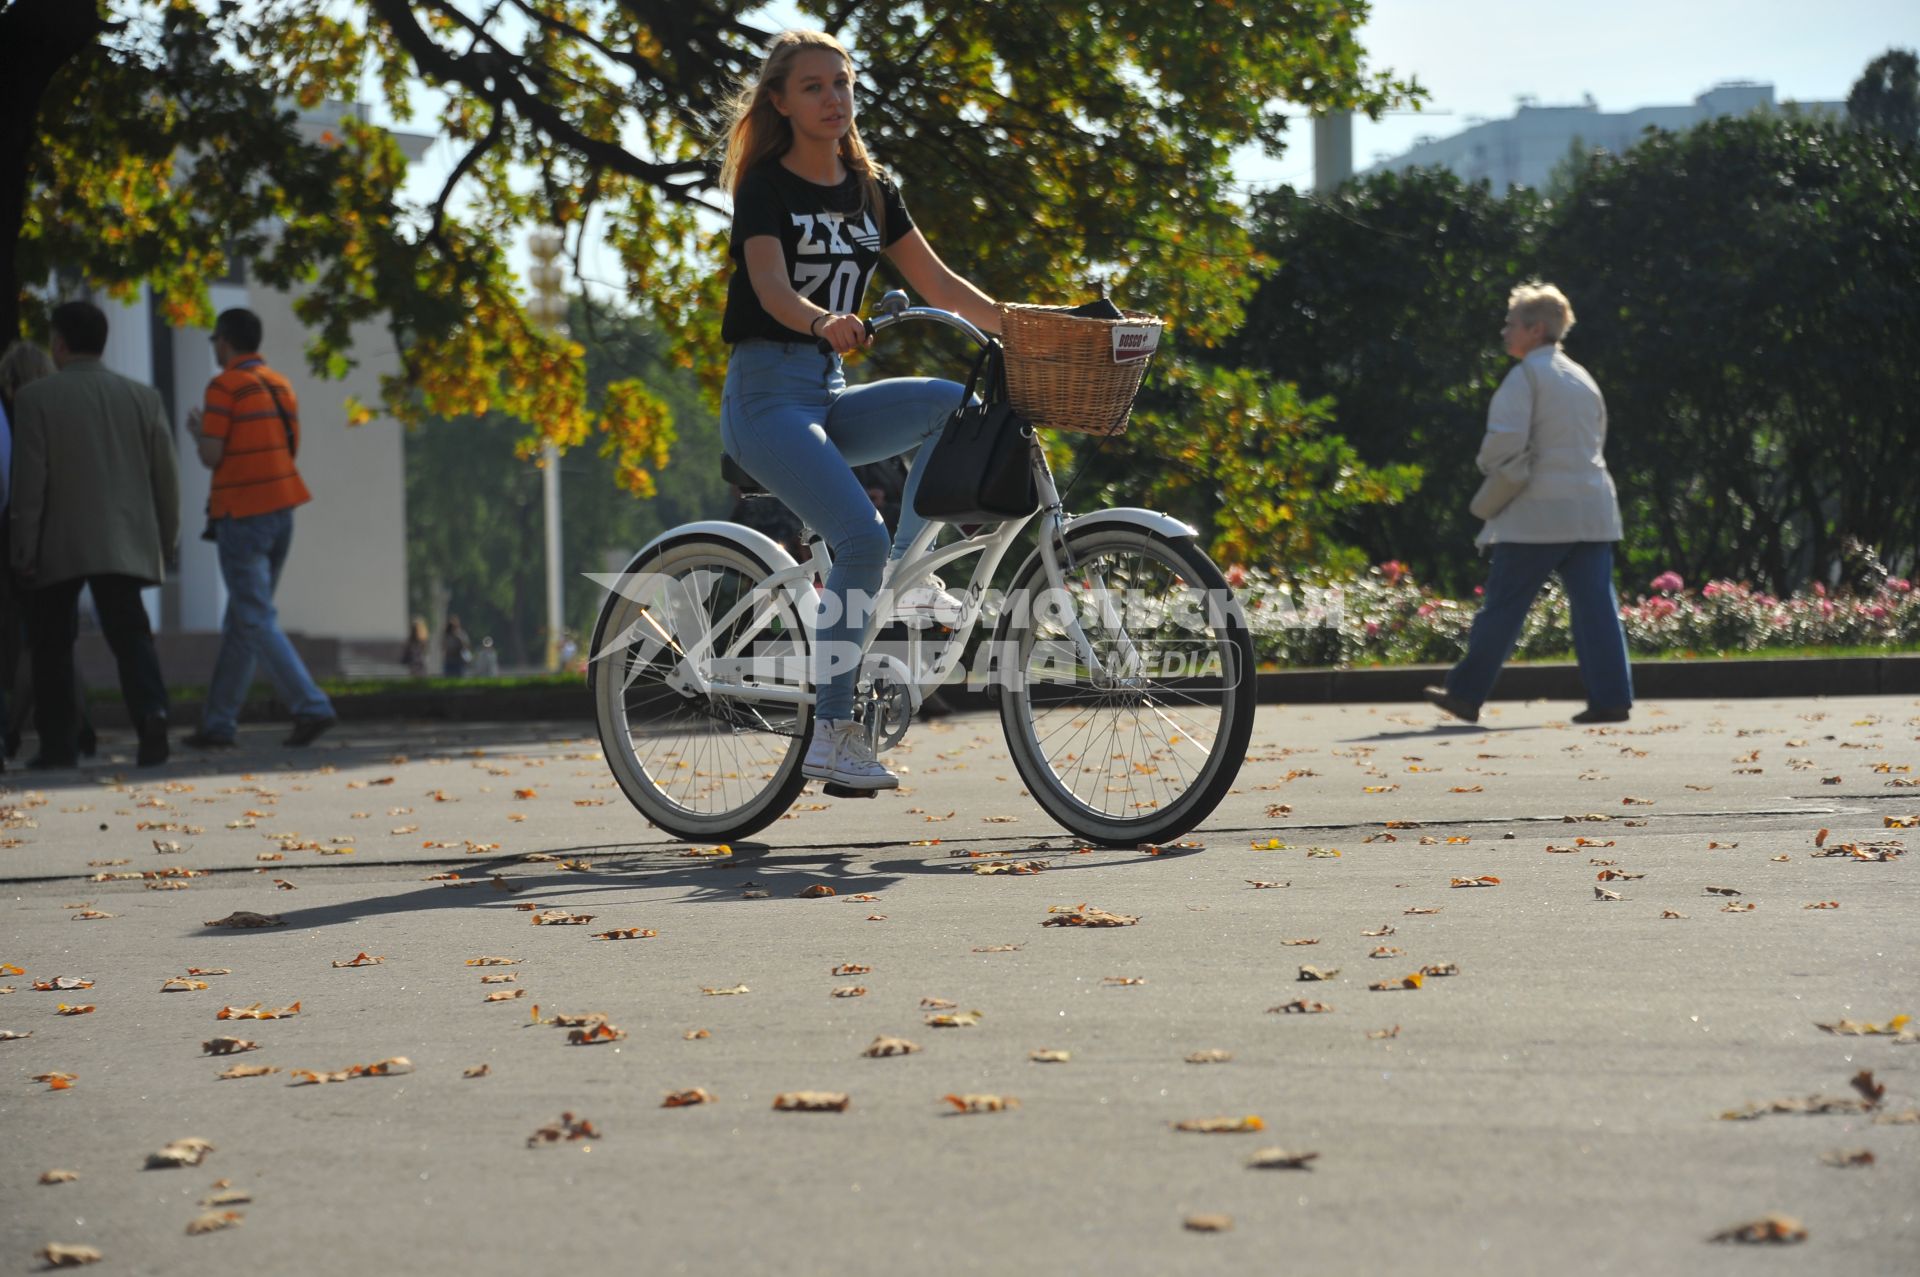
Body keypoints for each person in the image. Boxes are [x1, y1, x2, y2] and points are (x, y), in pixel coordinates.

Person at [717, 28, 1001, 790]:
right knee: (857, 536)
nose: (833, 98)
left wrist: (1025, 326)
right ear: (779, 101)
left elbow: (941, 287)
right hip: (765, 396)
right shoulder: (766, 186)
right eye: (813, 86)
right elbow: (771, 288)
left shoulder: (871, 189)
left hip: (827, 391)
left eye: (841, 83)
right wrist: (820, 320)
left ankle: (907, 576)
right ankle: (833, 734)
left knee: (955, 405)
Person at [1425, 283, 1633, 726]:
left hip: (1538, 511)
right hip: (1593, 510)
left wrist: (1487, 464)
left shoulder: (1526, 377)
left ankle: (1465, 693)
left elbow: (1504, 442)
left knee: (1504, 605)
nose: (1504, 331)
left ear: (1535, 329)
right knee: (1597, 607)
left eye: (1511, 323)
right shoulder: (1581, 376)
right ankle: (1612, 698)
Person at [9, 300, 178, 767]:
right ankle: (152, 714)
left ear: (59, 343)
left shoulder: (36, 399)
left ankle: (59, 744)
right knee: (131, 636)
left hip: (58, 541)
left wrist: (23, 547)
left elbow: (30, 483)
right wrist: (167, 539)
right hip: (123, 539)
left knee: (51, 646)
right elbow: (166, 477)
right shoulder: (143, 398)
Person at [180, 308, 337, 749]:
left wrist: (198, 432)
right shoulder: (280, 385)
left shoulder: (224, 386)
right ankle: (218, 723)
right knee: (242, 621)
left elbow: (212, 455)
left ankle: (311, 706)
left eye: (215, 341)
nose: (214, 348)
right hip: (281, 510)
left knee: (254, 617)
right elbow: (288, 448)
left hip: (241, 513)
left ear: (225, 342)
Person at [0, 342, 97, 763]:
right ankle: (81, 725)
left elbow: (15, 490)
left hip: (26, 538)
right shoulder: (65, 413)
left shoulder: (17, 417)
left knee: (35, 643)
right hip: (66, 538)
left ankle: (12, 729)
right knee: (56, 640)